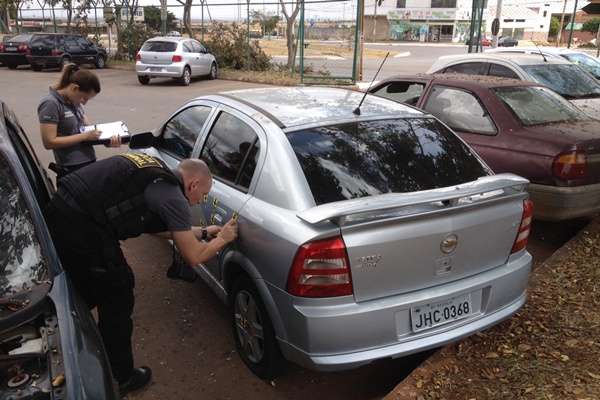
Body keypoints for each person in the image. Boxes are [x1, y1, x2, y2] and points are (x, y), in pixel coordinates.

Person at [45, 153, 237, 396]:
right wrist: (223, 239)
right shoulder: (173, 197)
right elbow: (194, 257)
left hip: (65, 210)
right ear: (193, 184)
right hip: (81, 226)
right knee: (118, 290)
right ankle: (122, 377)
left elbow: (151, 224)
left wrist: (203, 232)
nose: (200, 201)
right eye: (203, 194)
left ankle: (85, 333)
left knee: (90, 285)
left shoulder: (156, 174)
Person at [37, 63, 122, 180]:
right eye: (84, 98)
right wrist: (84, 137)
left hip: (88, 162)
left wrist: (106, 139)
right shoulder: (50, 103)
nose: (84, 102)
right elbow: (49, 142)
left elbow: (87, 129)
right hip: (71, 169)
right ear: (74, 88)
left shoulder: (74, 100)